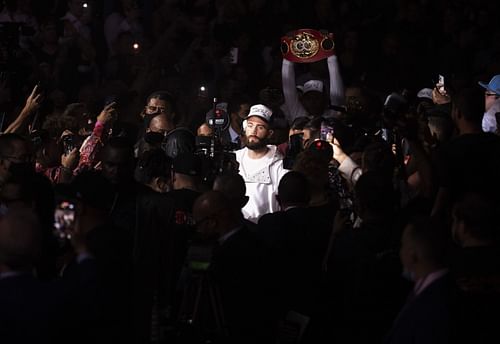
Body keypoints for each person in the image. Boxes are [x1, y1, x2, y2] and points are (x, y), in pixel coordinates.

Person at [387, 217, 456, 344]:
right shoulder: (431, 290)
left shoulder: (435, 305)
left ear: (413, 255)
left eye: (403, 245)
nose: (400, 252)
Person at [235, 104, 288, 223]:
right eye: (250, 125)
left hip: (267, 231)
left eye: (260, 127)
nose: (253, 131)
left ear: (269, 133)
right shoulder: (235, 158)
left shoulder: (279, 164)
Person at [282, 52, 344, 123]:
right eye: (308, 98)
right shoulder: (298, 114)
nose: (313, 102)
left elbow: (337, 95)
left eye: (317, 98)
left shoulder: (332, 115)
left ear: (325, 100)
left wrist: (330, 54)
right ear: (303, 101)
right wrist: (289, 53)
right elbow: (288, 88)